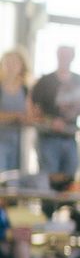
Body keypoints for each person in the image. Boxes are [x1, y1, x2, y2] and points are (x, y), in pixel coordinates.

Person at [28, 43, 80, 187]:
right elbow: (33, 111)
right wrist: (50, 121)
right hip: (48, 138)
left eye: (67, 55)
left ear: (73, 57)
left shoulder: (79, 80)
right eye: (62, 55)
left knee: (69, 179)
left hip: (70, 137)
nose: (64, 58)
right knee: (48, 180)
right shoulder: (45, 81)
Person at [0, 45, 31, 176]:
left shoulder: (25, 89)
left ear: (22, 66)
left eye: (15, 62)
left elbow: (30, 115)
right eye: (8, 62)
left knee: (14, 181)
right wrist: (16, 116)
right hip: (1, 140)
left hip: (19, 142)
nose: (11, 66)